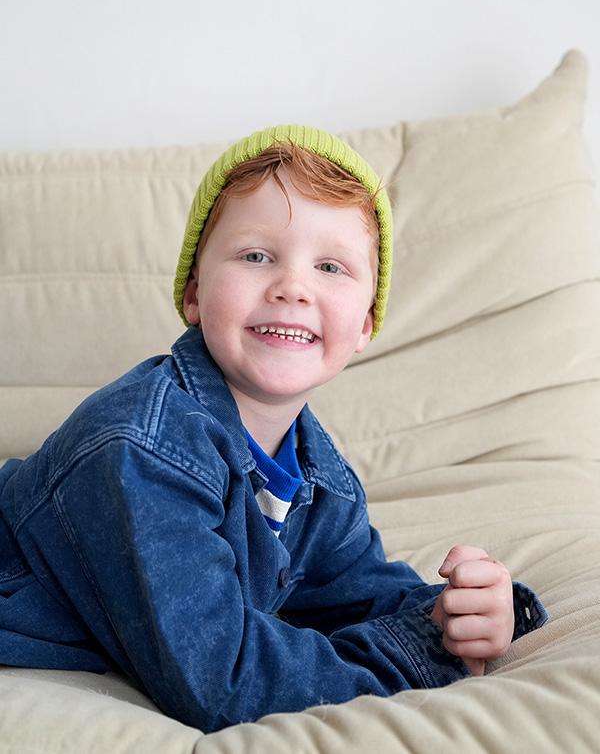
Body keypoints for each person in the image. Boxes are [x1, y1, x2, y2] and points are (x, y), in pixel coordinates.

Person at [0, 125, 547, 733]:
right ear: (194, 293)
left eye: (332, 266)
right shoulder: (144, 450)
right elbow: (223, 680)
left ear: (366, 324)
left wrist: (459, 616)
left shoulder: (317, 474)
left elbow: (358, 594)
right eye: (256, 255)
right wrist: (422, 655)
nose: (292, 286)